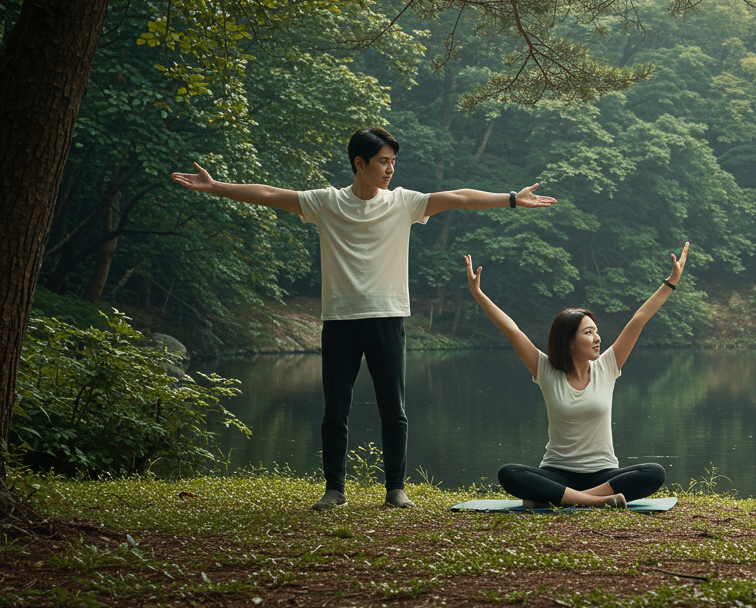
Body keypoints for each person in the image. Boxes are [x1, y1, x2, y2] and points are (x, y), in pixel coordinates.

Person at [171, 127, 555, 510]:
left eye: (393, 162)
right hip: (340, 319)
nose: (390, 169)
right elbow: (271, 194)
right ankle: (334, 489)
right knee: (335, 409)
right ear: (360, 163)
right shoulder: (326, 203)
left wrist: (511, 200)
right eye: (383, 161)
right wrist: (217, 186)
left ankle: (395, 490)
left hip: (388, 318)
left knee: (395, 409)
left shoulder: (403, 203)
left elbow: (457, 198)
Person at [463, 243, 689, 508]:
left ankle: (570, 499)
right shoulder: (545, 369)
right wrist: (477, 293)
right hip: (556, 473)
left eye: (596, 330)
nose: (597, 338)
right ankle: (592, 501)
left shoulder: (608, 366)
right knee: (509, 473)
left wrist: (671, 282)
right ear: (569, 341)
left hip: (603, 474)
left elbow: (639, 318)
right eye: (588, 333)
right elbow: (512, 330)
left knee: (654, 472)